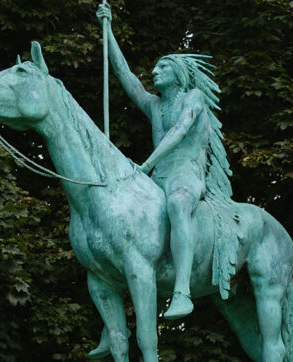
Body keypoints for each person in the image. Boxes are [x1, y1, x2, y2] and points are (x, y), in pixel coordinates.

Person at [96, 4, 232, 322]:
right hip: (157, 174)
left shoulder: (193, 98)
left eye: (162, 69)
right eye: (154, 70)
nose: (154, 73)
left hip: (186, 172)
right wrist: (108, 30)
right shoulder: (154, 104)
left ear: (178, 75)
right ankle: (110, 297)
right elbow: (125, 75)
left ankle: (182, 290)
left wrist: (144, 165)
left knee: (177, 202)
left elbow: (180, 131)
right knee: (118, 219)